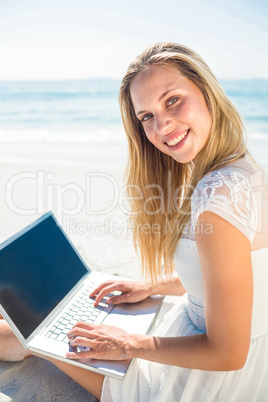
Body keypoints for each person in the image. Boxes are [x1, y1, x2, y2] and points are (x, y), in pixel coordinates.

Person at [1, 42, 268, 401]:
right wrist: (152, 286)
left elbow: (228, 353)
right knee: (59, 324)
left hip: (206, 383)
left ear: (206, 90)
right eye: (146, 116)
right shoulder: (239, 167)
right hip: (224, 346)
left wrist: (127, 344)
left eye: (172, 100)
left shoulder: (217, 197)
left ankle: (34, 337)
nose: (162, 125)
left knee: (36, 330)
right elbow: (234, 273)